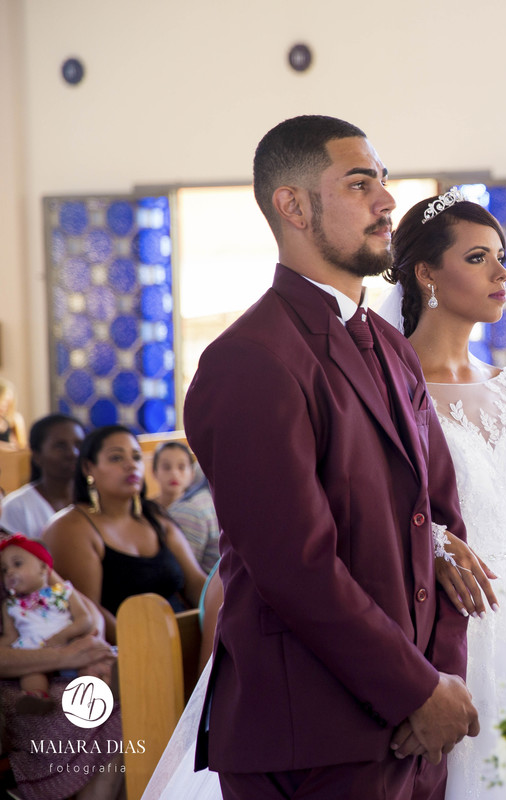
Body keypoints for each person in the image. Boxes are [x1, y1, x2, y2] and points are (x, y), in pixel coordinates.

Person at [183, 115, 477, 800]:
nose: (386, 201)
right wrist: (413, 688)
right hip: (311, 735)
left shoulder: (390, 343)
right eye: (358, 183)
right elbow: (295, 565)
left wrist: (440, 680)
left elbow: (441, 529)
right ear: (292, 205)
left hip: (412, 730)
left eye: (382, 181)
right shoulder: (251, 360)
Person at [380, 189, 506, 800]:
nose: (503, 272)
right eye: (479, 257)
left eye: (502, 256)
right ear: (426, 273)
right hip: (450, 623)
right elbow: (373, 510)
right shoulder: (390, 384)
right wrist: (431, 539)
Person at [41, 425, 206, 644]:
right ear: (89, 468)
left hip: (179, 637)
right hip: (121, 650)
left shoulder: (155, 516)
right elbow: (89, 609)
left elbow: (195, 582)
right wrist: (145, 649)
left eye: (136, 457)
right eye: (116, 458)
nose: (131, 465)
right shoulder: (70, 526)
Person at [0, 520, 123, 800]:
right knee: (106, 712)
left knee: (133, 695)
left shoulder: (12, 545)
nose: (9, 573)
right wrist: (62, 655)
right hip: (14, 678)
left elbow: (86, 613)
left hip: (54, 657)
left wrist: (82, 644)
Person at [0, 534, 103, 713]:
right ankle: (36, 698)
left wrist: (63, 636)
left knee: (90, 656)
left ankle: (102, 686)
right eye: (3, 569)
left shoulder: (63, 591)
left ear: (43, 567)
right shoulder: (10, 605)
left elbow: (85, 619)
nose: (9, 572)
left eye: (17, 564)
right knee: (31, 673)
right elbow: (11, 636)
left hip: (69, 641)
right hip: (34, 652)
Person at [0, 414, 86, 539]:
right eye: (60, 446)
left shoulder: (97, 501)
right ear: (37, 456)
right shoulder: (16, 507)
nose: (73, 453)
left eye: (79, 445)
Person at [152, 441, 220, 572]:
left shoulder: (195, 509)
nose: (174, 473)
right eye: (166, 467)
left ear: (192, 473)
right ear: (154, 471)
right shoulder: (145, 509)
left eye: (181, 467)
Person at [0, 378, 28, 451]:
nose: (3, 405)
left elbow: (21, 446)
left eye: (7, 402)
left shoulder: (14, 420)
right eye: (2, 401)